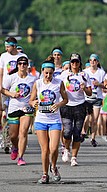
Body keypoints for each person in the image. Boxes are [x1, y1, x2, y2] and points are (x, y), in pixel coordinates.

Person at [29, 56, 68, 184]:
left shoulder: (58, 83)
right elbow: (31, 100)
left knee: (54, 148)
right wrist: (33, 103)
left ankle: (54, 167)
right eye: (46, 73)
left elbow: (65, 99)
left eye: (50, 73)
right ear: (42, 71)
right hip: (41, 119)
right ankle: (45, 174)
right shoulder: (38, 83)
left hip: (54, 120)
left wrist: (58, 105)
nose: (48, 75)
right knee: (45, 149)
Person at [1, 56, 37, 166]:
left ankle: (21, 157)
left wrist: (34, 101)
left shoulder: (32, 79)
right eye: (20, 63)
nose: (22, 65)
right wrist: (12, 94)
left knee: (23, 132)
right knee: (13, 135)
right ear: (17, 65)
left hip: (26, 108)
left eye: (24, 63)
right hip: (14, 108)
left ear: (27, 65)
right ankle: (15, 147)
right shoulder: (11, 77)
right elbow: (3, 90)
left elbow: (36, 92)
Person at [59, 53, 92, 166]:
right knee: (67, 131)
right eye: (72, 62)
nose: (74, 64)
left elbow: (90, 92)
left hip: (80, 105)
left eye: (76, 62)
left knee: (77, 133)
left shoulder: (84, 75)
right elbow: (57, 87)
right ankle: (66, 149)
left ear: (80, 63)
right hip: (67, 105)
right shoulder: (64, 74)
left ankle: (74, 157)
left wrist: (84, 89)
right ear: (70, 63)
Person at [84, 54, 106, 147]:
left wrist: (99, 84)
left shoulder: (101, 72)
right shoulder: (85, 72)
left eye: (94, 60)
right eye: (90, 60)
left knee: (94, 119)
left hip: (97, 97)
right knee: (86, 118)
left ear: (97, 62)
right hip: (87, 97)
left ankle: (93, 138)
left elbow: (105, 86)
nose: (92, 62)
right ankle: (83, 132)